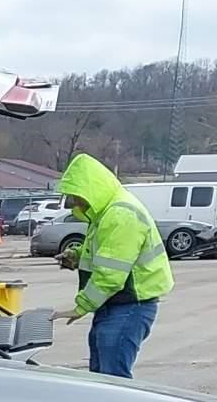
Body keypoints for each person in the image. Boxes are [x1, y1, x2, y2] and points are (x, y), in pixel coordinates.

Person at [57, 153, 173, 377]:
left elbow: (111, 274)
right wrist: (77, 256)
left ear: (90, 189)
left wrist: (81, 306)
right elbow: (105, 254)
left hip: (129, 306)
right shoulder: (106, 211)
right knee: (102, 376)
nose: (75, 202)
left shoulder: (120, 214)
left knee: (113, 379)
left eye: (76, 196)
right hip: (116, 305)